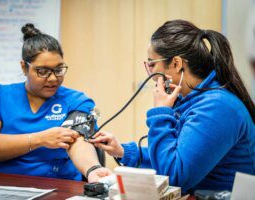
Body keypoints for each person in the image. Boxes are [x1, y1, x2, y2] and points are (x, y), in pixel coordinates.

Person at [90, 20, 255, 193]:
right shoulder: (196, 100)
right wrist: (125, 152)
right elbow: (174, 156)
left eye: (152, 64)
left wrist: (161, 114)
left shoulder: (217, 107)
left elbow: (174, 176)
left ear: (176, 64)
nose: (151, 74)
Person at [0, 23, 111, 182]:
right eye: (42, 71)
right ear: (24, 67)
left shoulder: (78, 101)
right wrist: (40, 139)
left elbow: (79, 142)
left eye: (59, 70)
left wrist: (92, 169)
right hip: (3, 185)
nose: (52, 79)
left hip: (58, 186)